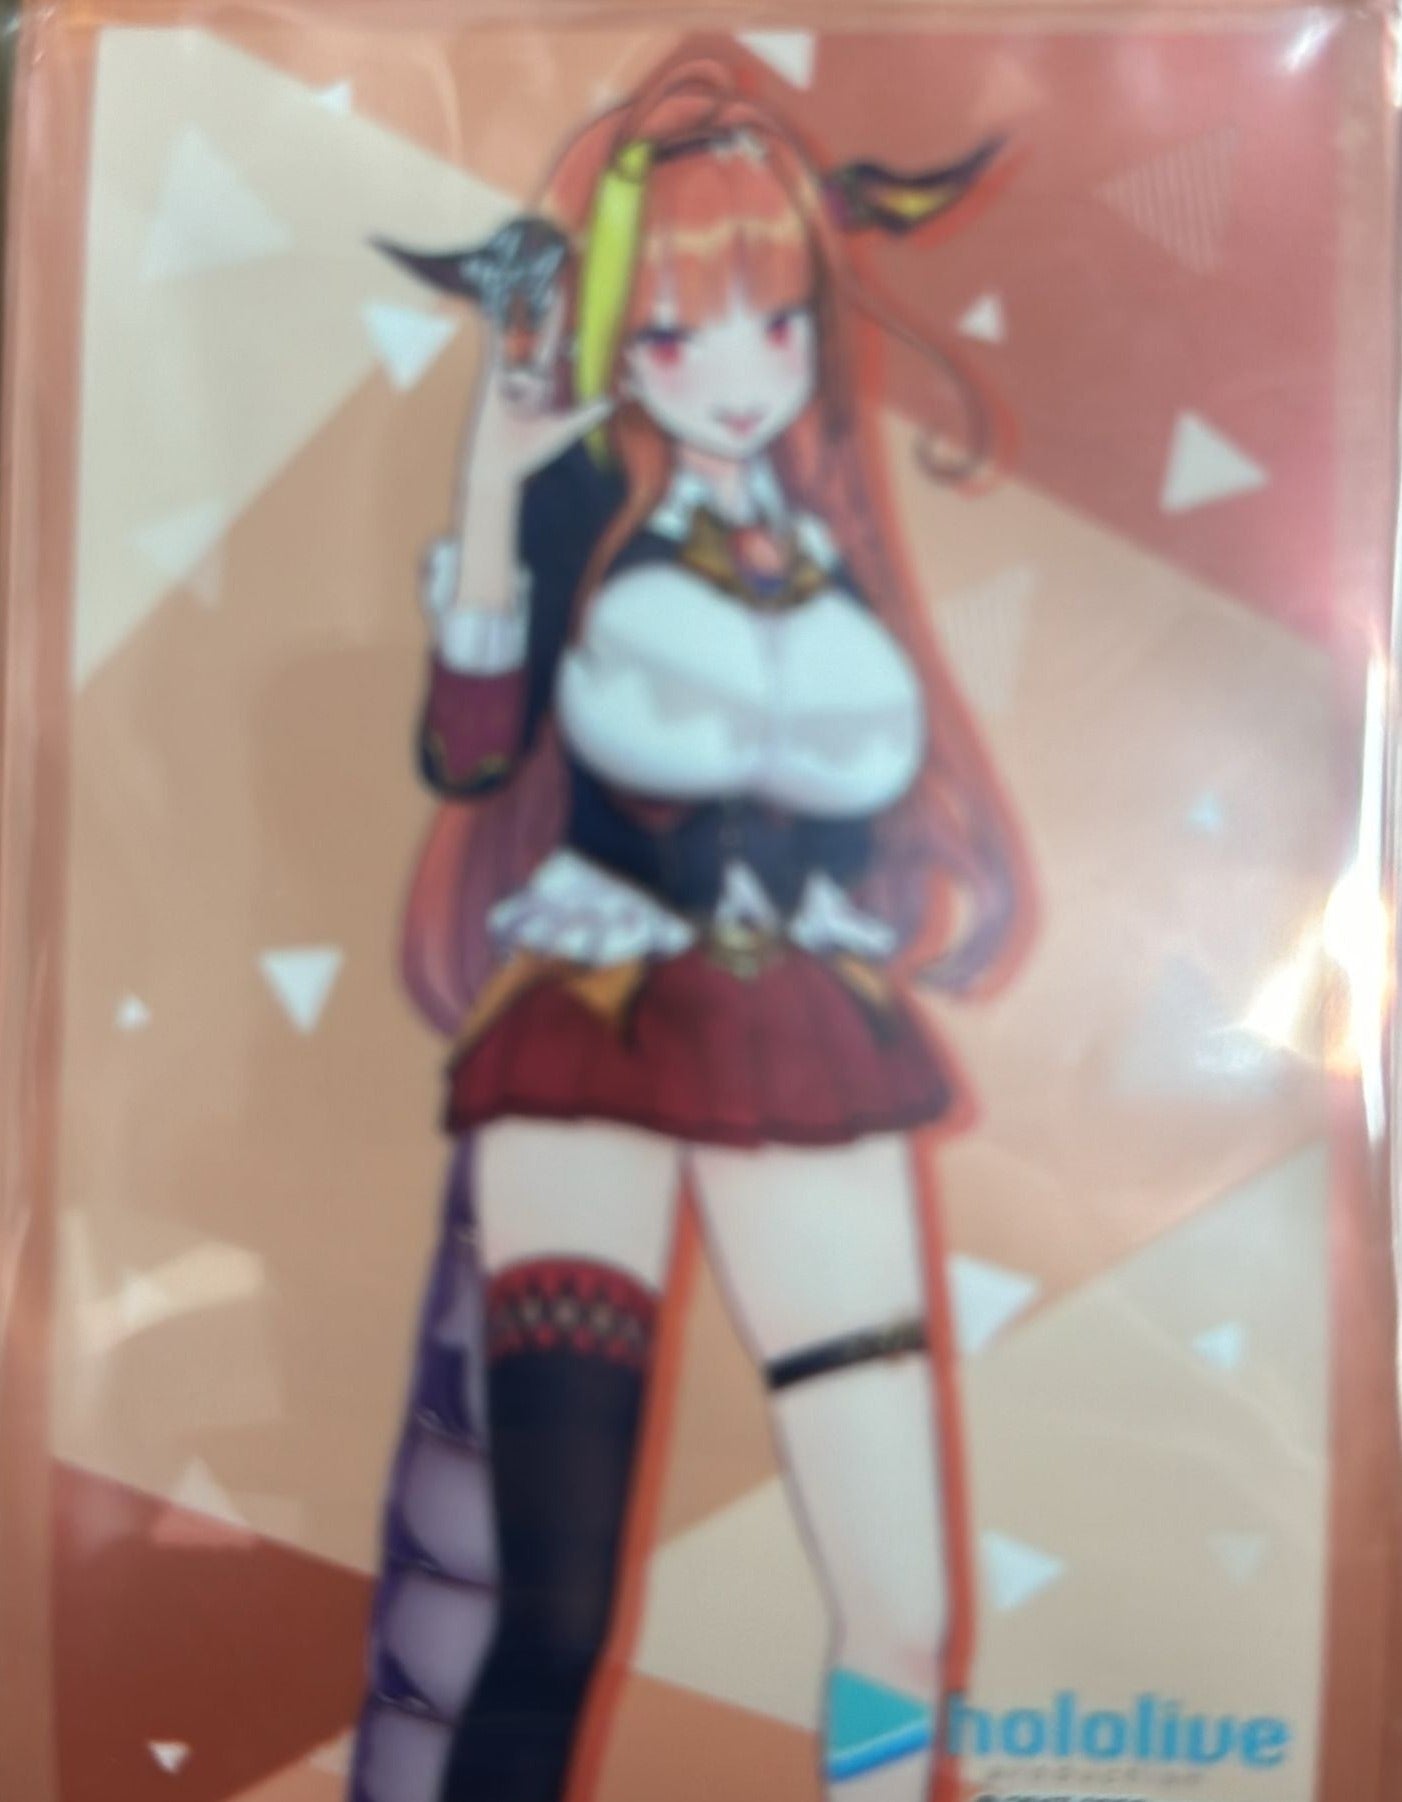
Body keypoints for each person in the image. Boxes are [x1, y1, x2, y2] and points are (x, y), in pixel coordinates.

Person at [353, 51, 1033, 1802]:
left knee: (902, 1610)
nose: (735, 375)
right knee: (552, 1607)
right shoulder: (578, 507)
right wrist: (493, 488)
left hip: (806, 1038)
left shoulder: (824, 537)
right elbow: (470, 752)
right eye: (674, 336)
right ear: (617, 344)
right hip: (589, 1030)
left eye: (773, 324)